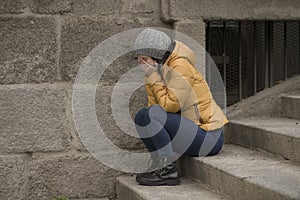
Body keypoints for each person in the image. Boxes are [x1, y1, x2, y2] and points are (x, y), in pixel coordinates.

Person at [133, 28, 228, 186]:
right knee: (141, 116)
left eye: (144, 58)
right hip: (191, 131)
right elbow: (153, 108)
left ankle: (168, 170)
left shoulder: (180, 65)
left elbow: (171, 105)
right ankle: (159, 163)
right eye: (138, 60)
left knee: (151, 114)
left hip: (209, 138)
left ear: (157, 56)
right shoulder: (157, 70)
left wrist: (153, 77)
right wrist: (152, 76)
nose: (141, 64)